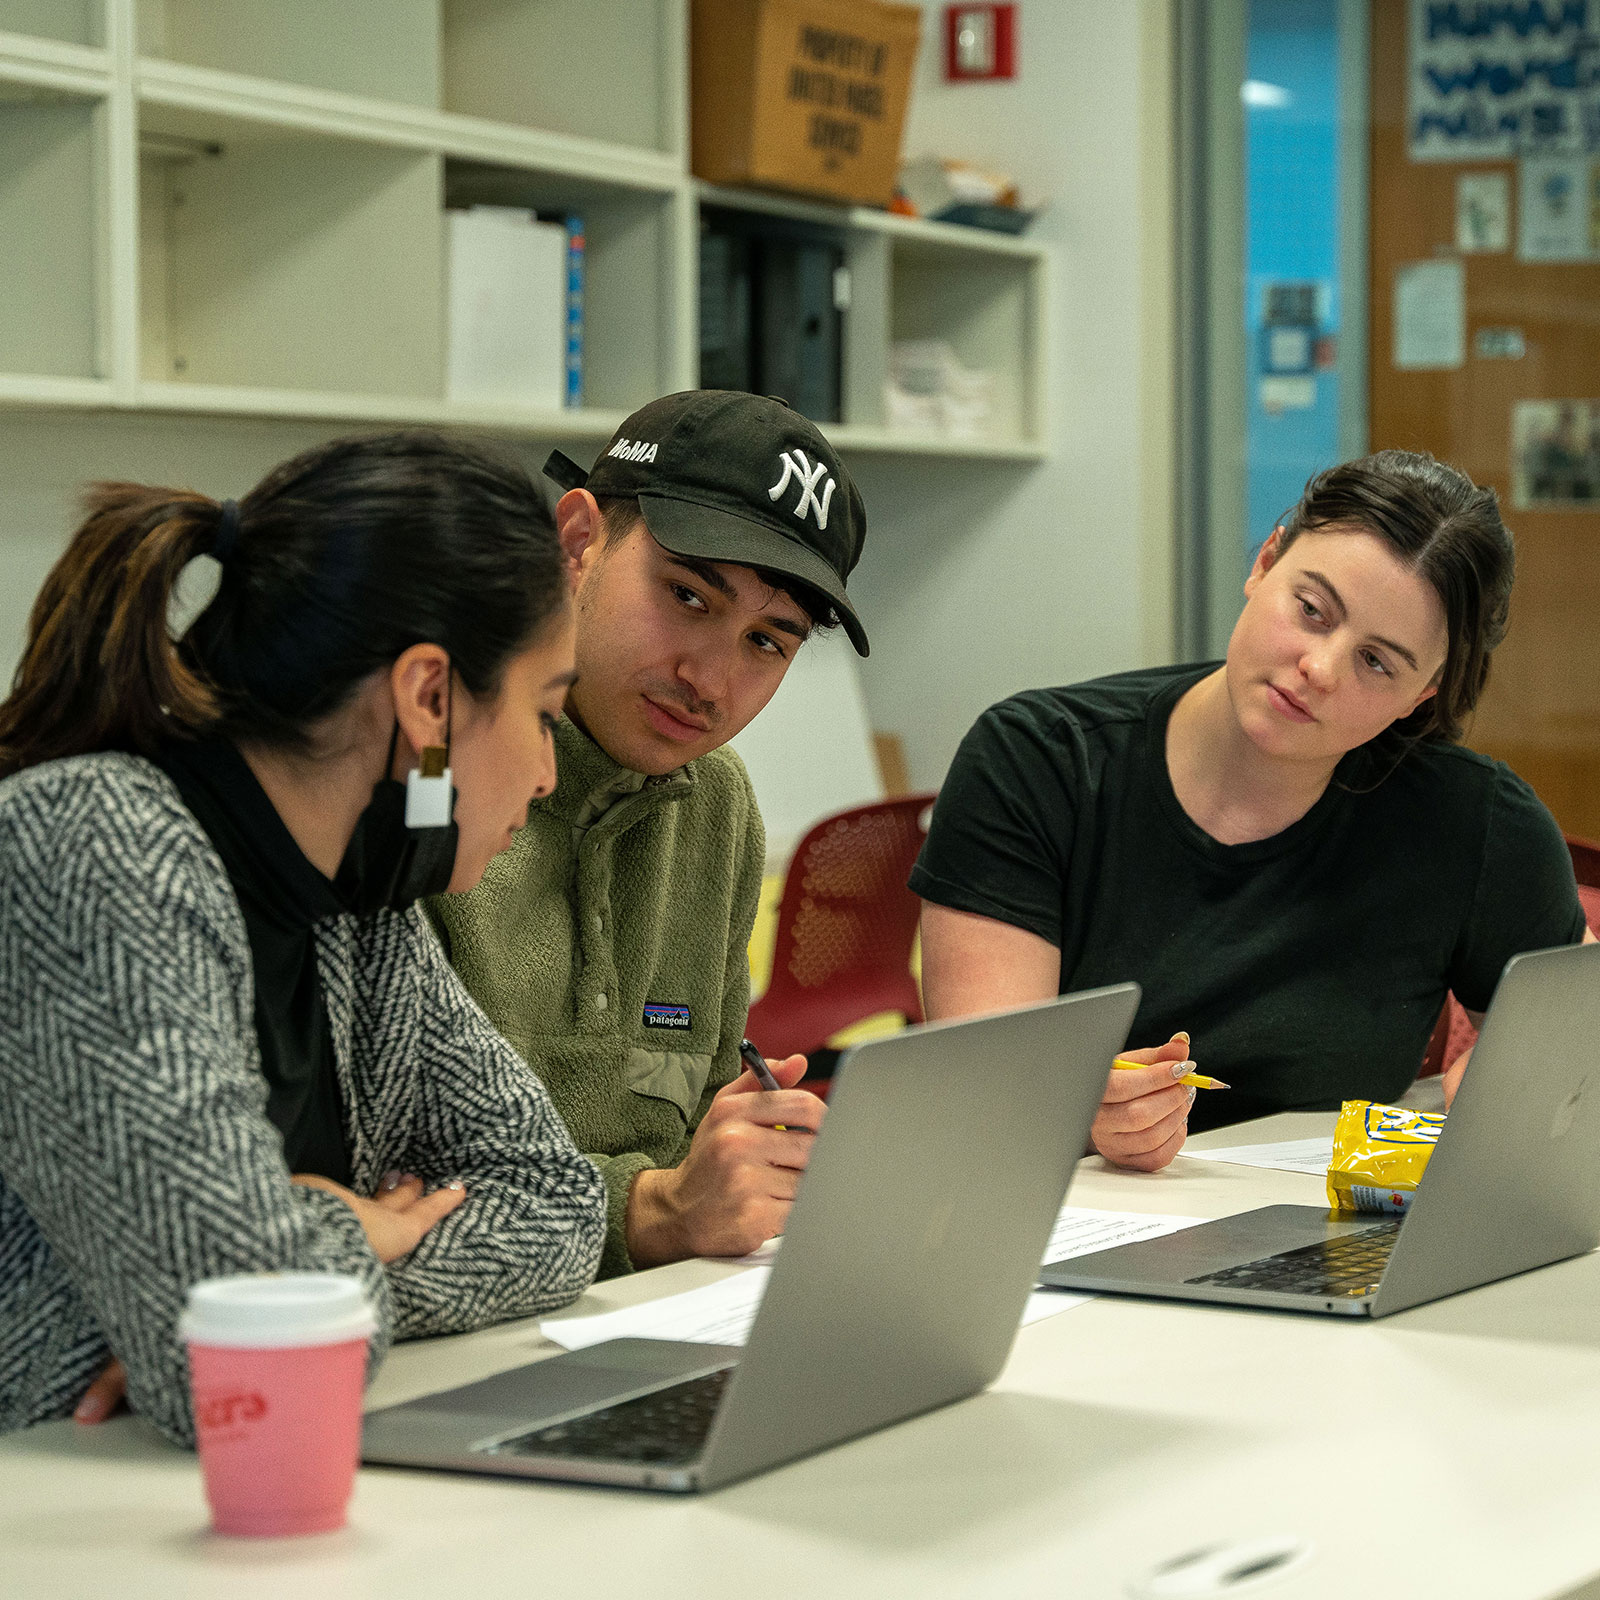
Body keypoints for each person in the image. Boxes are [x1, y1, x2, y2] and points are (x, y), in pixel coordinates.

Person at [0, 431, 607, 1444]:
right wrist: (344, 1223)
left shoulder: (359, 902)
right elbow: (234, 1371)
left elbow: (557, 1205)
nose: (546, 775)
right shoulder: (95, 846)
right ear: (427, 698)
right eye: (544, 713)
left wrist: (303, 1257)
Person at [914, 449, 1592, 1172]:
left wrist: (1521, 1088)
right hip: (1069, 1232)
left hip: (1332, 1244)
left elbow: (1579, 1050)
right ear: (1265, 562)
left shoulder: (1476, 822)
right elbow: (982, 1111)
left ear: (1420, 697)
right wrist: (1081, 1116)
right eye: (1311, 610)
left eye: (1378, 663)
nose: (1321, 670)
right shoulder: (1037, 761)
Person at [429, 390, 869, 1274]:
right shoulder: (426, 774)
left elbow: (697, 1116)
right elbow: (378, 1191)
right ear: (578, 542)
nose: (708, 678)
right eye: (688, 596)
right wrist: (647, 1211)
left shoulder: (715, 801)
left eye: (767, 643)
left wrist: (748, 1160)